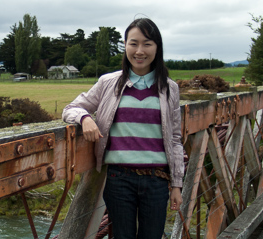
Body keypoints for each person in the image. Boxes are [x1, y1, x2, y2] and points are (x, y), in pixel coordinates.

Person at [62, 18, 184, 238]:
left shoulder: (169, 88)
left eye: (147, 44)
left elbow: (175, 139)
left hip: (157, 180)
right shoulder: (108, 83)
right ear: (125, 45)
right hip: (119, 180)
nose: (139, 51)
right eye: (133, 43)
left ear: (157, 47)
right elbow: (71, 107)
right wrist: (85, 118)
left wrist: (177, 184)